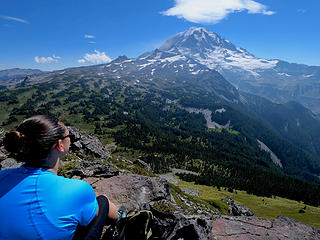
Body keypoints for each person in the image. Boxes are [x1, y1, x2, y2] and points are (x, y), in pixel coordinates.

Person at [0, 115, 121, 240]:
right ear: (59, 145)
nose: (70, 139)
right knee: (103, 201)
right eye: (69, 136)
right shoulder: (78, 189)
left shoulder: (2, 176)